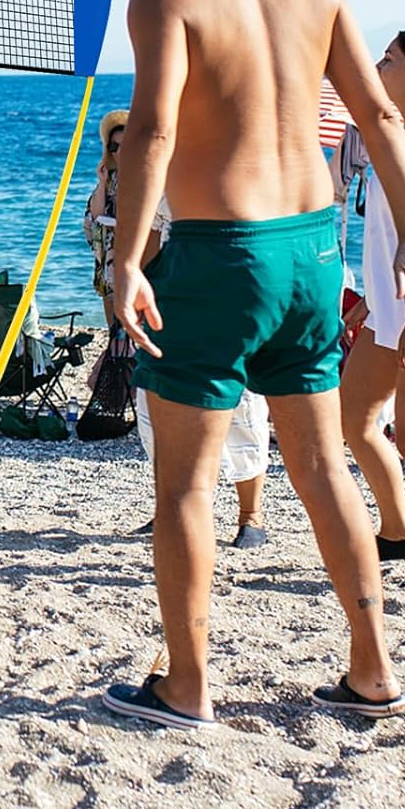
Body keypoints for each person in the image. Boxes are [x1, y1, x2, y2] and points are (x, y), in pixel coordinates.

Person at [104, 0, 405, 728]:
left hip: (219, 253)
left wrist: (125, 259)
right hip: (312, 249)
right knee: (320, 463)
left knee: (187, 486)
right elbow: (385, 122)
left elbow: (154, 131)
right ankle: (373, 669)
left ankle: (187, 686)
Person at [134, 196, 269, 548]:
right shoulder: (165, 171)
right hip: (173, 299)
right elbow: (151, 232)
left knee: (243, 408)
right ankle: (171, 508)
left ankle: (250, 515)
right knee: (156, 408)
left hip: (234, 293)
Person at [337, 30, 405, 562]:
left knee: (388, 430)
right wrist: (368, 298)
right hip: (389, 311)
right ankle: (398, 531)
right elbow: (389, 237)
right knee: (357, 420)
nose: (378, 66)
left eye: (389, 59)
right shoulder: (392, 138)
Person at [82, 109, 128, 330]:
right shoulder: (110, 179)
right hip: (107, 258)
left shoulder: (146, 177)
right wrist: (102, 182)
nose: (119, 152)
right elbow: (94, 217)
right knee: (114, 330)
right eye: (114, 147)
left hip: (133, 256)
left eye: (124, 145)